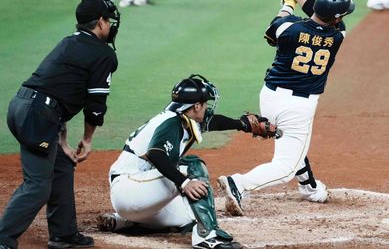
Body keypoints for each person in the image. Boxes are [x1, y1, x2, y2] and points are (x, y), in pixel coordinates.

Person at [217, 0, 355, 217]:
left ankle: (310, 188)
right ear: (337, 18)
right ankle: (238, 183)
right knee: (286, 166)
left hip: (270, 97)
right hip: (299, 106)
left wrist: (287, 3)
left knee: (293, 144)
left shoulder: (287, 27)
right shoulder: (338, 35)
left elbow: (274, 30)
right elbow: (316, 10)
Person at [98, 74, 279, 249]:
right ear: (196, 106)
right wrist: (184, 182)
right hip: (129, 189)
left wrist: (242, 124)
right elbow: (156, 154)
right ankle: (206, 237)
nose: (207, 107)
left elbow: (212, 122)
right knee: (192, 165)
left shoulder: (181, 117)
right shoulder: (171, 123)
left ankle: (124, 222)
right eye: (205, 103)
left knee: (190, 216)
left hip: (136, 197)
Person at [0, 0, 121, 249]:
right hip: (38, 115)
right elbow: (95, 106)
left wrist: (62, 142)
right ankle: (3, 239)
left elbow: (56, 92)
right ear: (100, 22)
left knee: (62, 165)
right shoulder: (103, 54)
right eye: (108, 21)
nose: (111, 26)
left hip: (24, 107)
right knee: (38, 186)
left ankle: (63, 234)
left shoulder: (69, 42)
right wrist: (87, 140)